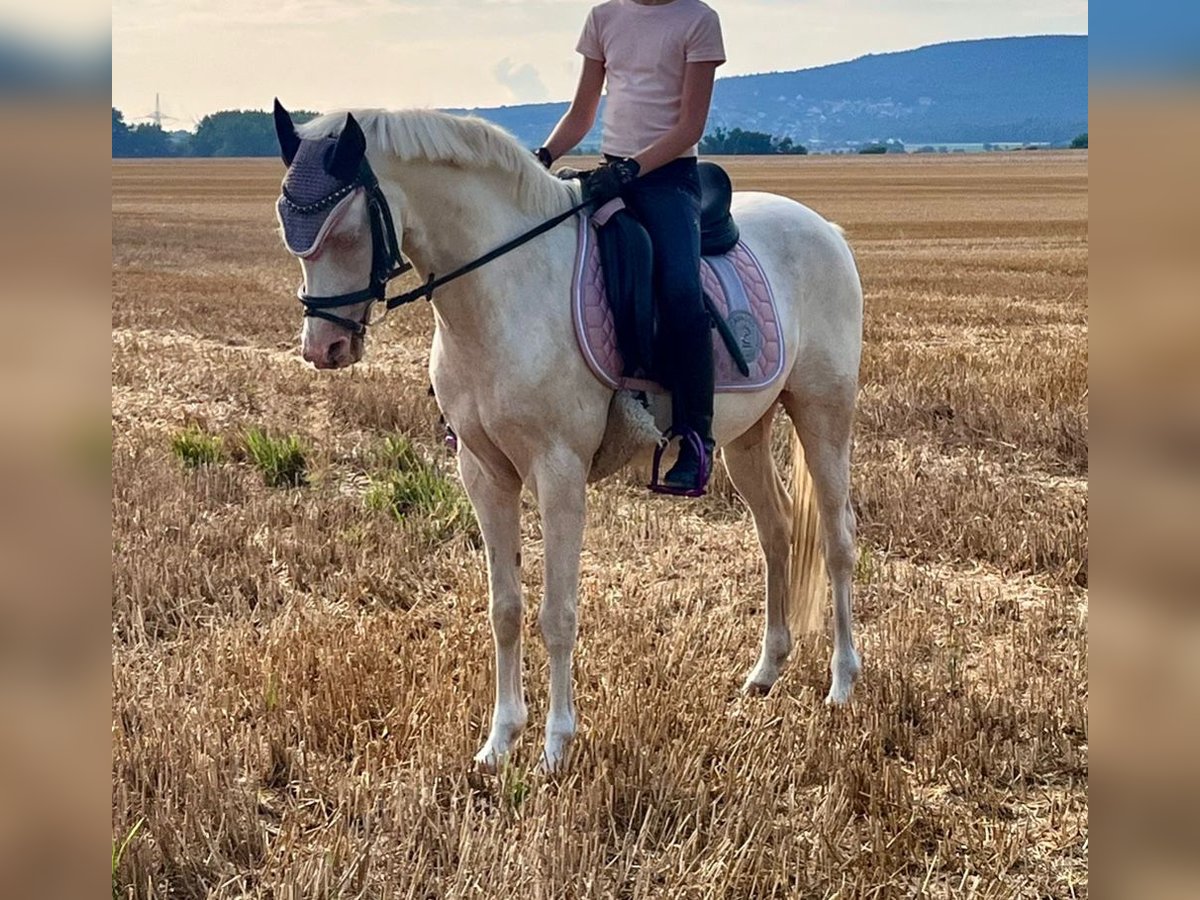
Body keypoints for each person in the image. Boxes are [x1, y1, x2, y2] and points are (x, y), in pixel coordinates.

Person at [535, 0, 725, 494]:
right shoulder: (603, 18)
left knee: (682, 291)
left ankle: (696, 435)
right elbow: (582, 113)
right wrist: (543, 157)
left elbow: (690, 127)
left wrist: (633, 168)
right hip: (612, 173)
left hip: (669, 180)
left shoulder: (698, 20)